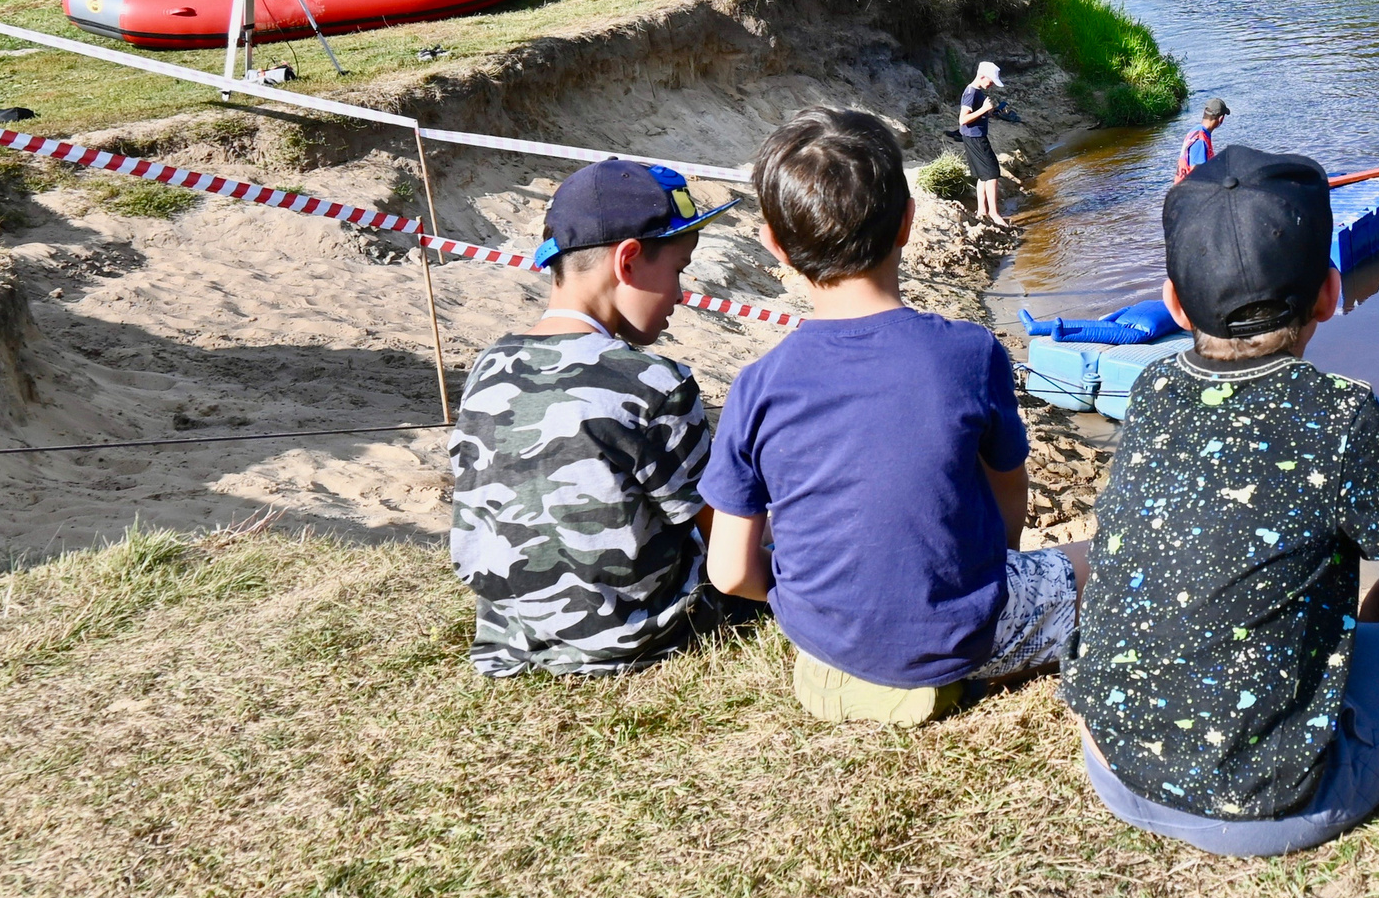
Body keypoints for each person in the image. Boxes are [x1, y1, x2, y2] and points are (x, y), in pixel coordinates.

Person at [1064, 145, 1379, 854]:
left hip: (1111, 765)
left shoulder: (1151, 390)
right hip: (1263, 806)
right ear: (1331, 292)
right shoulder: (1339, 414)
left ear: (1173, 303)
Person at [703, 107, 1088, 725]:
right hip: (966, 633)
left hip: (823, 638)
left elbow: (728, 572)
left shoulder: (756, 386)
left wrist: (816, 601)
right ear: (908, 222)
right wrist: (1001, 563)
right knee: (1103, 560)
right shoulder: (969, 350)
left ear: (773, 243)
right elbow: (1009, 491)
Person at [449, 159, 755, 677]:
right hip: (638, 637)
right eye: (678, 270)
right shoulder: (653, 381)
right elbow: (722, 537)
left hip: (514, 638)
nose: (681, 295)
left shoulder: (489, 366)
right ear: (629, 260)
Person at [957, 60, 1012, 229]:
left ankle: (982, 211)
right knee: (992, 173)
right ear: (982, 77)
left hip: (974, 136)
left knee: (983, 175)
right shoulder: (971, 93)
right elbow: (963, 119)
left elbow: (976, 115)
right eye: (991, 81)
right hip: (975, 138)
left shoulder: (977, 92)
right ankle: (995, 214)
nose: (991, 85)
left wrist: (990, 112)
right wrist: (982, 110)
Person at [1171, 95, 1230, 182]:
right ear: (1221, 118)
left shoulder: (1195, 131)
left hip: (1181, 189)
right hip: (1189, 191)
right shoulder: (1200, 141)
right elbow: (1198, 175)